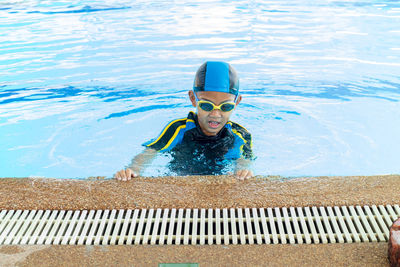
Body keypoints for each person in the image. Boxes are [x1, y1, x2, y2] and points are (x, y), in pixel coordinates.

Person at [114, 61, 254, 181]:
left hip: (220, 177)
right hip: (181, 176)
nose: (216, 114)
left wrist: (242, 171)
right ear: (193, 98)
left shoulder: (240, 134)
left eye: (225, 106)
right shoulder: (178, 128)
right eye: (206, 105)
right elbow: (150, 152)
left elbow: (244, 160)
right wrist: (134, 169)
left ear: (237, 103)